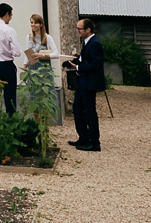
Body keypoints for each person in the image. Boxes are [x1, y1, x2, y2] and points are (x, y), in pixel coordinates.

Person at [64, 17, 104, 151]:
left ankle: (94, 142)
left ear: (88, 29)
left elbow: (96, 64)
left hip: (89, 83)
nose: (77, 31)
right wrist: (77, 58)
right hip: (83, 82)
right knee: (78, 109)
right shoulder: (87, 43)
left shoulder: (95, 43)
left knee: (89, 112)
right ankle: (83, 137)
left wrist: (78, 67)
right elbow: (86, 59)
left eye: (79, 29)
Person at [21, 13, 60, 117]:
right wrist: (25, 67)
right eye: (32, 22)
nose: (33, 25)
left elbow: (56, 54)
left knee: (45, 95)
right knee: (34, 96)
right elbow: (27, 53)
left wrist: (43, 55)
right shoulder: (29, 37)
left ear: (41, 24)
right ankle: (37, 122)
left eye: (36, 23)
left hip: (44, 69)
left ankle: (46, 122)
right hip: (32, 68)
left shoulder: (47, 37)